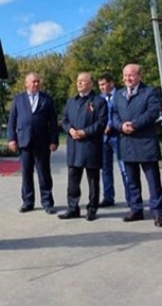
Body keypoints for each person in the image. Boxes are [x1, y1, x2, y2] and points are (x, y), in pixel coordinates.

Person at [112, 63, 162, 227]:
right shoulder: (118, 95)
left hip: (145, 143)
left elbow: (153, 112)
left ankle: (157, 213)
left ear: (139, 76)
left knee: (153, 181)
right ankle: (136, 209)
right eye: (125, 75)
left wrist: (134, 125)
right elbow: (114, 114)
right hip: (126, 143)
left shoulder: (149, 92)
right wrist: (121, 126)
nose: (127, 78)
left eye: (131, 75)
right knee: (132, 181)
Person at [7, 72, 59, 214]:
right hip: (24, 142)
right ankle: (28, 202)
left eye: (38, 81)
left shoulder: (47, 99)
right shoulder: (18, 100)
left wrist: (54, 140)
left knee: (44, 173)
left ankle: (47, 202)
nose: (36, 84)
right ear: (26, 84)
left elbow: (53, 122)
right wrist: (11, 139)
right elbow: (11, 120)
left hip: (42, 143)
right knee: (26, 173)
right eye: (33, 81)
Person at [59, 72, 107, 221]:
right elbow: (64, 119)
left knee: (92, 179)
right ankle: (73, 208)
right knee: (73, 179)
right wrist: (70, 130)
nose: (79, 83)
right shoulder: (71, 101)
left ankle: (92, 208)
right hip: (74, 146)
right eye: (78, 81)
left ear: (90, 84)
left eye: (83, 81)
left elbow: (101, 122)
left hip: (91, 145)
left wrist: (85, 132)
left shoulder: (99, 101)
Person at [97, 74, 129, 209]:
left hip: (118, 136)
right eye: (100, 85)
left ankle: (130, 197)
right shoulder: (99, 98)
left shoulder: (120, 95)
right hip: (104, 138)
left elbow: (121, 113)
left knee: (124, 168)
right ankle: (108, 197)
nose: (102, 87)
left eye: (104, 84)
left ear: (111, 83)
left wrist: (110, 125)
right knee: (105, 169)